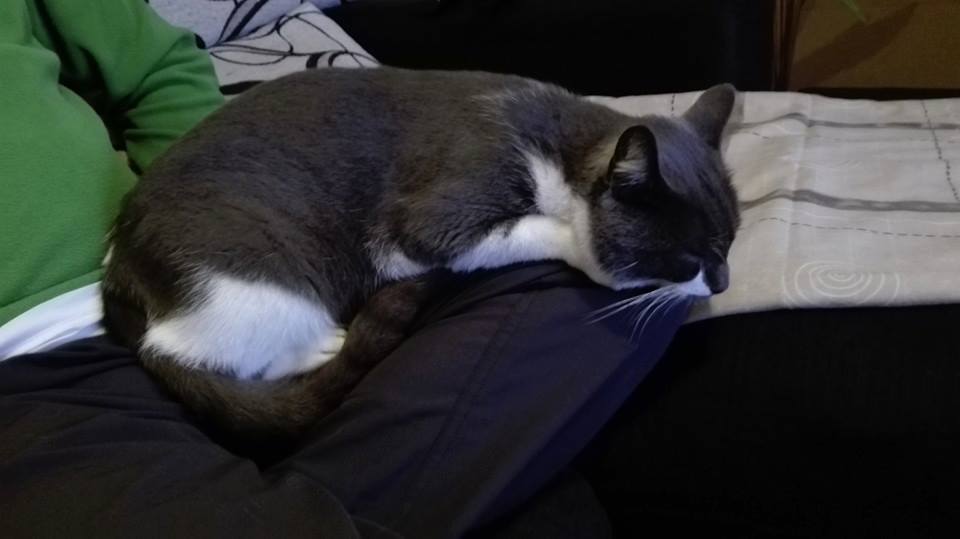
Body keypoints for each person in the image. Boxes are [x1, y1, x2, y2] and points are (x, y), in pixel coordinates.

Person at [0, 1, 689, 537]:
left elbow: (157, 72)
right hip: (35, 372)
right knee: (543, 507)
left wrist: (207, 204)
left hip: (200, 270)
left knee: (621, 297)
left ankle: (288, 441)